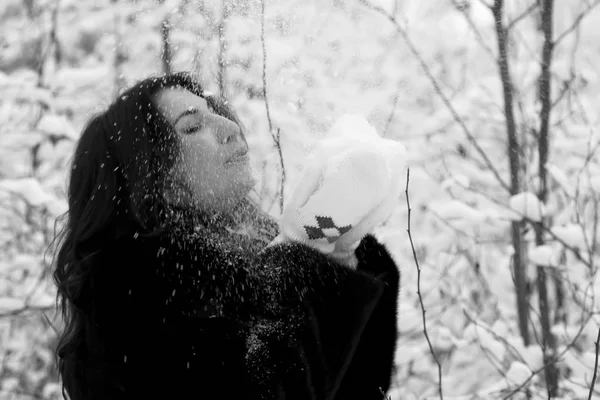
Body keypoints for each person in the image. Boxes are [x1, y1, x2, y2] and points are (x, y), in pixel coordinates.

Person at [53, 72, 400, 400]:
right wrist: (304, 266)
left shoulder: (236, 271)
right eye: (192, 127)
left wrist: (341, 254)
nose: (231, 127)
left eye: (214, 112)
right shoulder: (137, 314)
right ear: (156, 182)